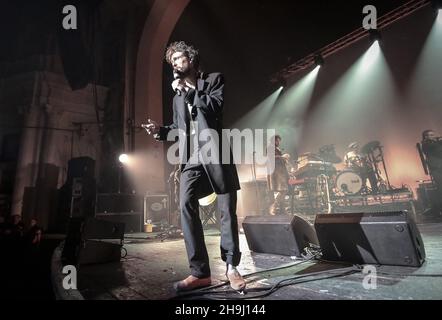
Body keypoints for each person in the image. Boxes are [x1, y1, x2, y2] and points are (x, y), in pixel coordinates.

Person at [144, 41, 245, 292]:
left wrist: (189, 91)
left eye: (180, 58)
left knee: (225, 211)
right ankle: (200, 272)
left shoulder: (213, 80)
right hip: (191, 159)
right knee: (185, 206)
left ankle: (232, 267)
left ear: (191, 59)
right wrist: (160, 131)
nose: (176, 63)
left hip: (215, 154)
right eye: (173, 61)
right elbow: (180, 130)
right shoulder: (177, 99)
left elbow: (214, 107)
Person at [266, 135, 290, 215]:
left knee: (283, 190)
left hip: (280, 172)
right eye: (278, 141)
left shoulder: (276, 149)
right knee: (283, 190)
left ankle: (282, 210)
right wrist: (282, 157)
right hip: (276, 173)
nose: (279, 142)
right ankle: (274, 206)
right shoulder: (270, 147)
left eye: (279, 141)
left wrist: (284, 159)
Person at [421, 129, 442, 194]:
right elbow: (438, 151)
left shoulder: (435, 143)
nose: (432, 136)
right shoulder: (426, 144)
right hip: (436, 168)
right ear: (425, 137)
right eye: (430, 135)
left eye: (433, 135)